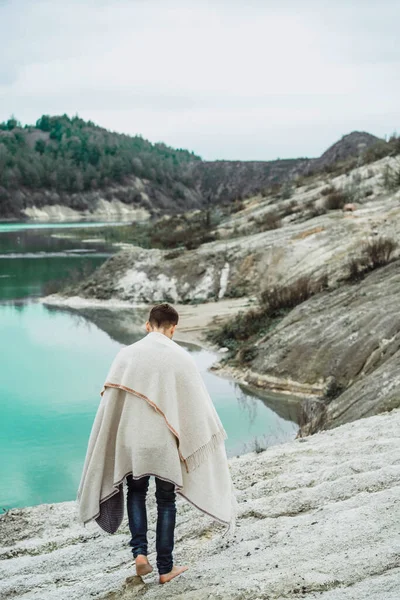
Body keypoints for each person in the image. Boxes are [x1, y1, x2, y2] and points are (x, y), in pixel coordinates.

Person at [76, 303, 237, 586]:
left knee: (135, 494)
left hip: (132, 445)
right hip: (164, 447)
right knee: (166, 502)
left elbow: (110, 404)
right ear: (173, 328)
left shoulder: (126, 355)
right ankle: (165, 569)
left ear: (147, 325)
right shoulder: (181, 357)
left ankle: (139, 554)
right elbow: (196, 409)